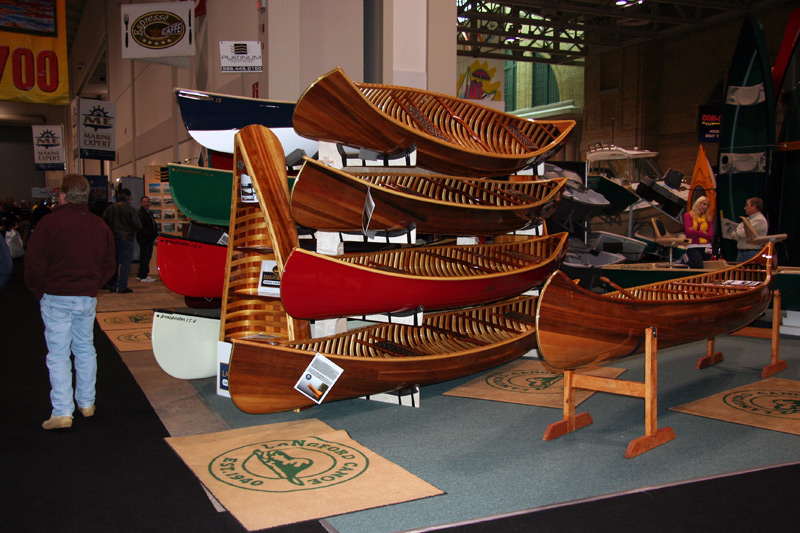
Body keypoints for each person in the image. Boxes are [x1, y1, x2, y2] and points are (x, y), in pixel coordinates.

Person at [24, 174, 116, 430]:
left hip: (56, 296)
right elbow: (109, 264)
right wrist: (93, 283)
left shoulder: (49, 224)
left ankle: (63, 411)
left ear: (63, 195)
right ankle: (87, 403)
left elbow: (33, 264)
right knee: (85, 349)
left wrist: (38, 290)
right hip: (85, 297)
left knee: (58, 353)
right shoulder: (100, 226)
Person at [102, 188, 141, 293]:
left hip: (113, 239)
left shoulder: (110, 209)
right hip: (127, 239)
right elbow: (138, 225)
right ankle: (122, 286)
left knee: (113, 263)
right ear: (128, 197)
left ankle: (113, 285)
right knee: (125, 264)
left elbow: (103, 222)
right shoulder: (131, 210)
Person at [729, 197, 768, 262]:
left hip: (751, 254)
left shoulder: (759, 220)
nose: (745, 208)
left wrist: (738, 231)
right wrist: (738, 231)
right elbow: (733, 235)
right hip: (742, 253)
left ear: (754, 206)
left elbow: (742, 233)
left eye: (747, 205)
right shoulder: (747, 219)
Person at [683, 196, 713, 269]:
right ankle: (684, 259)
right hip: (693, 246)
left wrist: (695, 232)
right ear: (698, 204)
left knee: (706, 267)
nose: (705, 207)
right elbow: (688, 233)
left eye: (707, 205)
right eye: (704, 204)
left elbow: (710, 236)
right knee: (698, 265)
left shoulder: (708, 217)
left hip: (707, 246)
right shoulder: (688, 216)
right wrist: (702, 233)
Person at [136, 195, 157, 282]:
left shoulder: (148, 212)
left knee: (146, 256)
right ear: (141, 203)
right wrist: (152, 237)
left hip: (148, 238)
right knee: (145, 257)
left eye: (147, 202)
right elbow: (143, 228)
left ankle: (141, 274)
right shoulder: (141, 214)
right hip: (145, 239)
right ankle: (143, 275)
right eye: (144, 202)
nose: (146, 203)